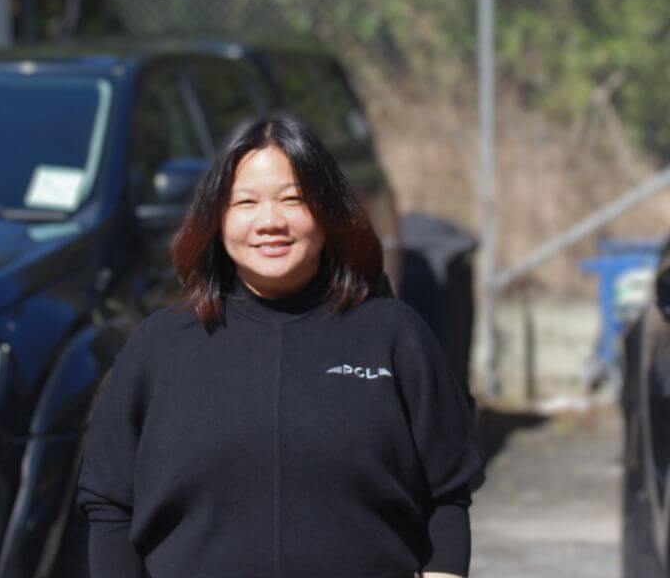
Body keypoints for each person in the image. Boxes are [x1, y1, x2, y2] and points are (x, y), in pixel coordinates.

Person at [76, 116, 485, 578]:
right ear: (216, 218)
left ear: (330, 214)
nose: (270, 221)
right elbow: (109, 504)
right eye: (245, 202)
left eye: (293, 199)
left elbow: (447, 496)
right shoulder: (159, 346)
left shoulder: (394, 335)